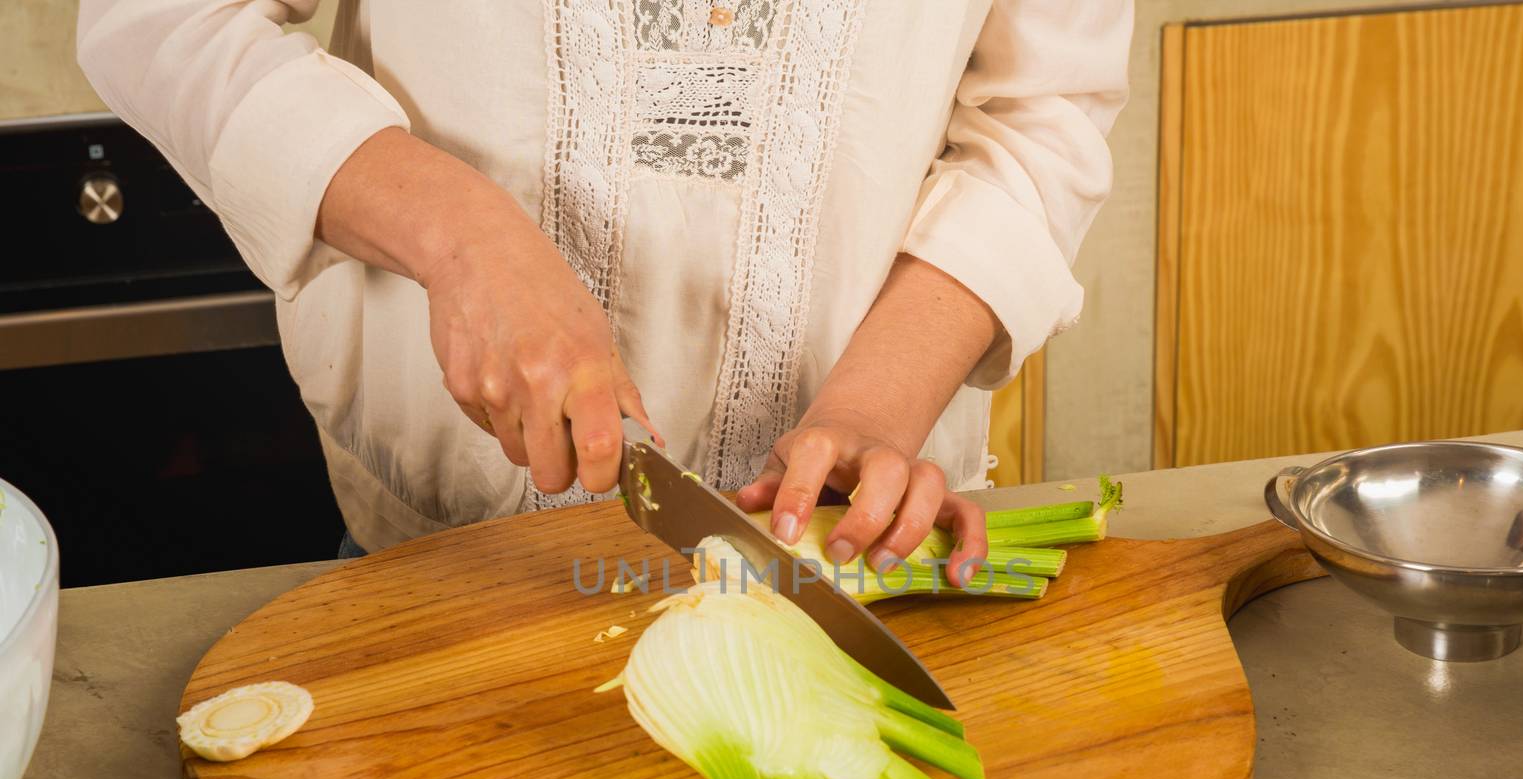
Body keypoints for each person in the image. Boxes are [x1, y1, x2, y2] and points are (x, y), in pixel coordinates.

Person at [78, 1, 1132, 585]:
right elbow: (156, 18)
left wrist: (877, 404)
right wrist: (461, 237)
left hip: (852, 564)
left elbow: (1042, 117)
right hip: (439, 578)